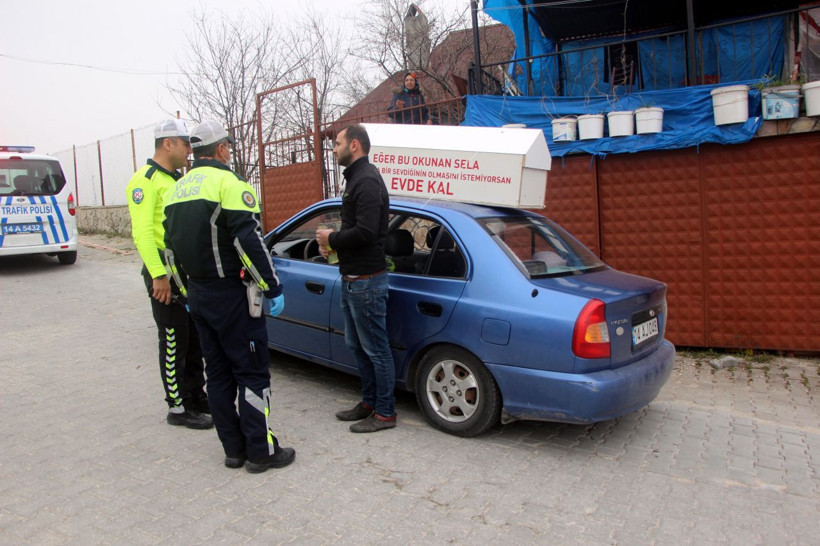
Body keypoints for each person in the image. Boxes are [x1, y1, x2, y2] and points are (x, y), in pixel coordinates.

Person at [163, 120, 295, 472]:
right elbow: (248, 241)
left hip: (199, 297)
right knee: (252, 374)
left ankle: (233, 450)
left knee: (219, 376)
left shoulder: (176, 191)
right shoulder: (229, 184)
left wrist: (186, 294)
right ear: (221, 149)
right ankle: (260, 452)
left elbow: (169, 253)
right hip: (233, 298)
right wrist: (272, 286)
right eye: (229, 147)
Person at [125, 119, 212, 430]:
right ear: (167, 144)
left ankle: (196, 396)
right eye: (185, 144)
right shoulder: (145, 180)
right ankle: (177, 407)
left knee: (194, 339)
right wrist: (158, 275)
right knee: (174, 340)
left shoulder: (175, 179)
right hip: (164, 272)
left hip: (185, 271)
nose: (189, 150)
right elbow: (143, 234)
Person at [316, 124, 397, 433]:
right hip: (352, 279)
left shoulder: (367, 180)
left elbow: (366, 231)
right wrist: (333, 247)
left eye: (337, 143)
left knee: (376, 348)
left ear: (354, 145)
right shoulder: (355, 179)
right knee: (357, 345)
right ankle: (369, 402)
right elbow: (358, 229)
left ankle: (385, 413)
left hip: (367, 282)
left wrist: (333, 238)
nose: (333, 149)